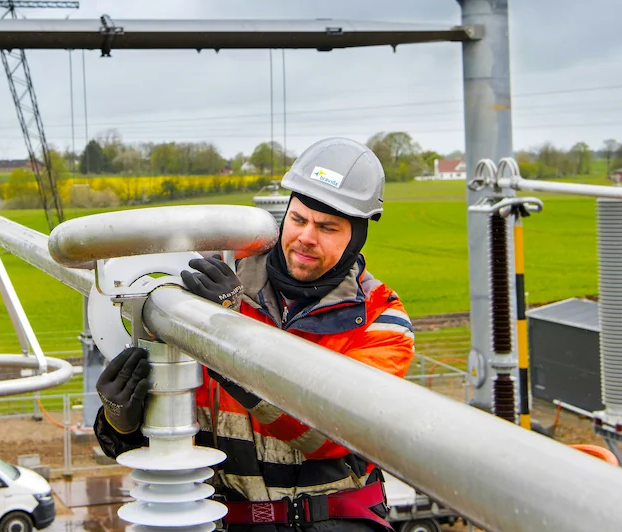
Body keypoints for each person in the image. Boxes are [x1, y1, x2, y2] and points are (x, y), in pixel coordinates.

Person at [94, 137, 414, 532]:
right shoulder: (207, 285)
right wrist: (120, 420)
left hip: (335, 522)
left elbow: (328, 436)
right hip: (226, 520)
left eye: (328, 227)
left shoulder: (380, 320)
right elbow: (172, 426)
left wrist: (228, 336)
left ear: (358, 236)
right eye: (298, 220)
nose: (306, 237)